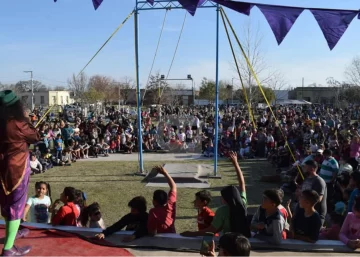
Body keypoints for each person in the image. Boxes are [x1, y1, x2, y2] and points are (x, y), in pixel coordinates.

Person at [0, 90, 40, 256]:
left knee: (6, 203)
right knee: (16, 205)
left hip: (1, 168)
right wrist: (27, 121)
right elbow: (35, 136)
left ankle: (12, 231)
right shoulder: (17, 123)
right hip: (17, 168)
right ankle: (8, 248)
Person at [181, 151, 250, 237]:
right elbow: (242, 184)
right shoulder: (243, 203)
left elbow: (212, 230)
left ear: (225, 199)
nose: (221, 199)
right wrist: (236, 163)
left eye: (222, 197)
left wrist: (192, 233)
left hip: (230, 240)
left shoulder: (222, 211)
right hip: (245, 239)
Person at [147, 166, 177, 235]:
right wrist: (165, 173)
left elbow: (151, 232)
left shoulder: (153, 212)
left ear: (154, 201)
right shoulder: (170, 205)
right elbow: (174, 187)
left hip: (162, 239)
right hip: (173, 236)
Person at [301, 160, 327, 225]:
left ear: (312, 168)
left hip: (316, 214)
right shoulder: (307, 179)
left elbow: (318, 199)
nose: (303, 168)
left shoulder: (319, 181)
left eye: (305, 167)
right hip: (306, 211)